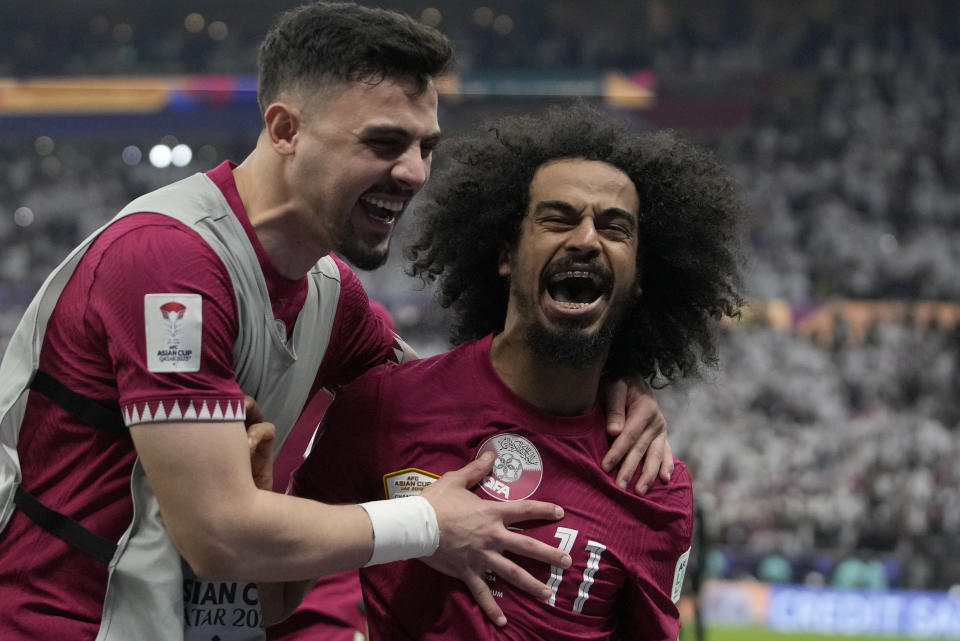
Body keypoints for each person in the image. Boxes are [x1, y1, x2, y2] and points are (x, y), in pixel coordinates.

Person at [0, 4, 671, 641]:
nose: (412, 172)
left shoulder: (331, 295)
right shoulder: (168, 259)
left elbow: (466, 396)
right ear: (286, 130)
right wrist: (425, 523)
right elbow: (220, 535)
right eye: (383, 142)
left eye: (424, 146)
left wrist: (608, 382)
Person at [271, 103, 745, 639]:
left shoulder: (652, 487)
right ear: (505, 252)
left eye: (615, 228)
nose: (587, 239)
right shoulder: (383, 407)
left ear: (638, 280)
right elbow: (272, 597)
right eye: (557, 218)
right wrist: (412, 527)